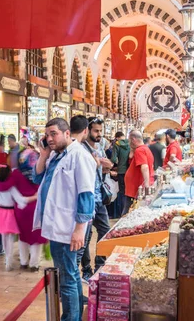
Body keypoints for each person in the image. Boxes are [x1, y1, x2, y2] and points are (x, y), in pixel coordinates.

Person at [33, 118, 96, 321]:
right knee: (71, 273)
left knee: (66, 278)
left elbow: (86, 195)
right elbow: (37, 178)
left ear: (67, 133)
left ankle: (70, 318)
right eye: (47, 135)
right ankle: (75, 315)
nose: (50, 138)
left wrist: (79, 229)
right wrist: (43, 155)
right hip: (56, 225)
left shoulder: (79, 156)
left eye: (54, 134)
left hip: (68, 227)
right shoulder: (55, 156)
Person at [0, 148, 47, 271]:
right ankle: (34, 264)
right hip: (37, 208)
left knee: (23, 236)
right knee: (36, 238)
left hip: (21, 210)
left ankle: (24, 262)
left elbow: (4, 186)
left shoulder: (16, 173)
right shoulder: (41, 172)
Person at [76, 117, 112, 281]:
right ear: (87, 130)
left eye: (100, 131)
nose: (99, 134)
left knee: (105, 230)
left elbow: (103, 168)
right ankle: (87, 270)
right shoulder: (82, 149)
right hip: (87, 198)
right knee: (86, 235)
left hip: (99, 196)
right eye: (96, 131)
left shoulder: (100, 147)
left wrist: (107, 167)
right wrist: (96, 164)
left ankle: (100, 264)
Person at [0, 165, 35, 271]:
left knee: (3, 237)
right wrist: (34, 197)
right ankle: (8, 260)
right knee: (10, 239)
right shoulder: (11, 188)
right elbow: (20, 199)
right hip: (9, 213)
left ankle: (7, 259)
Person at [124, 131, 155, 215]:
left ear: (133, 139)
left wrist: (147, 186)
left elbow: (144, 167)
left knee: (127, 214)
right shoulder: (145, 149)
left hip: (136, 190)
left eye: (129, 140)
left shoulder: (139, 150)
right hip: (136, 189)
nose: (129, 143)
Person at [110, 131, 130, 218]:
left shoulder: (117, 144)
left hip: (121, 171)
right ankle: (128, 211)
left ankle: (121, 213)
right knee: (128, 192)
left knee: (122, 192)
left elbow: (113, 159)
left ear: (117, 137)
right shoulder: (130, 144)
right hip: (129, 171)